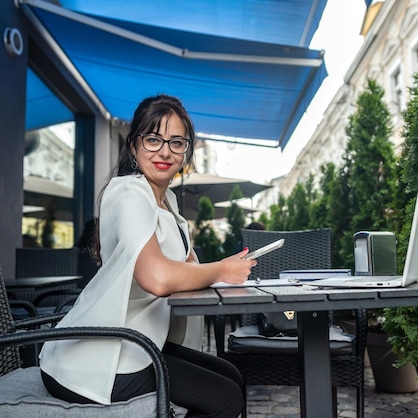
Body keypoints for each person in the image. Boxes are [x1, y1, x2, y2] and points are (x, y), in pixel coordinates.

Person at [39, 94, 256, 417]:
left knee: (233, 377)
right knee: (225, 398)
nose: (165, 151)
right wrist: (221, 269)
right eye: (153, 139)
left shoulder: (168, 201)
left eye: (176, 142)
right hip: (95, 357)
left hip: (136, 341)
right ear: (134, 145)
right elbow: (156, 277)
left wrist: (214, 269)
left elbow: (186, 272)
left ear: (186, 151)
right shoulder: (129, 192)